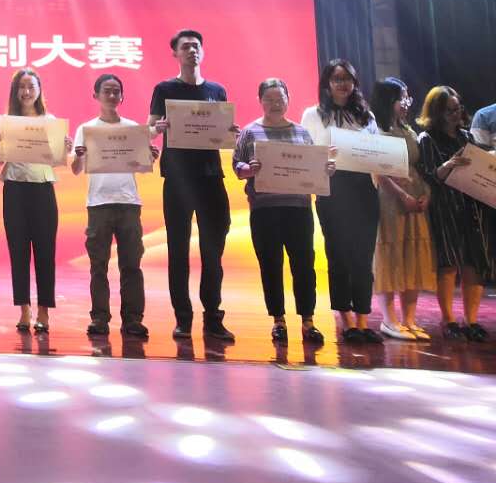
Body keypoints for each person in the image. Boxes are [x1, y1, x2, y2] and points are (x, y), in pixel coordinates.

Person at [148, 29, 237, 342]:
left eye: (196, 46)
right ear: (175, 53)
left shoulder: (216, 90)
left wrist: (230, 133)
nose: (191, 51)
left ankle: (213, 317)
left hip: (211, 177)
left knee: (213, 250)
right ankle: (183, 319)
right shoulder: (164, 89)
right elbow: (149, 128)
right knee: (178, 250)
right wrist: (157, 128)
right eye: (185, 46)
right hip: (177, 178)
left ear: (203, 51)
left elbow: (222, 133)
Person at [233, 78, 333, 346]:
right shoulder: (250, 132)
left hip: (298, 209)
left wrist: (326, 169)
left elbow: (314, 167)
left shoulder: (302, 133)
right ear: (260, 101)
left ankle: (308, 321)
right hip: (264, 211)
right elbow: (237, 166)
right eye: (269, 99)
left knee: (304, 265)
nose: (275, 104)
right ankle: (278, 321)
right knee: (270, 265)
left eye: (280, 99)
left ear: (288, 100)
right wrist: (248, 169)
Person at [299, 59, 383, 344]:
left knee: (363, 257)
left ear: (354, 83)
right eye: (337, 79)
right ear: (327, 83)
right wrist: (324, 160)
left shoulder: (366, 116)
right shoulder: (313, 115)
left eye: (347, 78)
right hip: (331, 190)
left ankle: (363, 320)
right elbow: (305, 154)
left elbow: (379, 152)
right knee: (338, 256)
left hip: (364, 191)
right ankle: (345, 321)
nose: (342, 84)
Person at [71, 73, 155, 340]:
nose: (111, 95)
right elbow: (75, 169)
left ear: (122, 96)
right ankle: (99, 318)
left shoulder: (133, 129)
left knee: (132, 264)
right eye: (106, 90)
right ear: (95, 95)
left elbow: (142, 166)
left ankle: (133, 319)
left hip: (129, 203)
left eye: (116, 91)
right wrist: (79, 157)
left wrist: (150, 156)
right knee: (99, 265)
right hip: (98, 204)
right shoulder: (86, 129)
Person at [0, 68, 70, 333]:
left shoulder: (50, 122)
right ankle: (24, 309)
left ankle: (44, 311)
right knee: (18, 251)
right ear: (15, 91)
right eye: (22, 87)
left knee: (45, 251)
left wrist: (64, 148)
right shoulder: (3, 122)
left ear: (39, 90)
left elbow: (57, 159)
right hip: (14, 190)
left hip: (42, 190)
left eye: (31, 87)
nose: (26, 92)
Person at [416, 85, 492, 341]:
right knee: (448, 264)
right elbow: (428, 176)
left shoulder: (466, 137)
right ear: (436, 112)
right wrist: (448, 165)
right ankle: (448, 320)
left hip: (471, 205)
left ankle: (471, 321)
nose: (455, 114)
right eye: (449, 110)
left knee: (474, 263)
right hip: (445, 206)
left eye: (458, 108)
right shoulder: (427, 139)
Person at [370, 77, 436, 341]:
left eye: (408, 98)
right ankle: (389, 320)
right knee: (392, 254)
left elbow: (420, 167)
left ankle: (409, 319)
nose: (407, 103)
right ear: (388, 101)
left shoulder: (409, 129)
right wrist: (403, 195)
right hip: (390, 200)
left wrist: (426, 193)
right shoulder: (377, 131)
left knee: (413, 254)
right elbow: (379, 173)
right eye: (401, 99)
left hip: (415, 197)